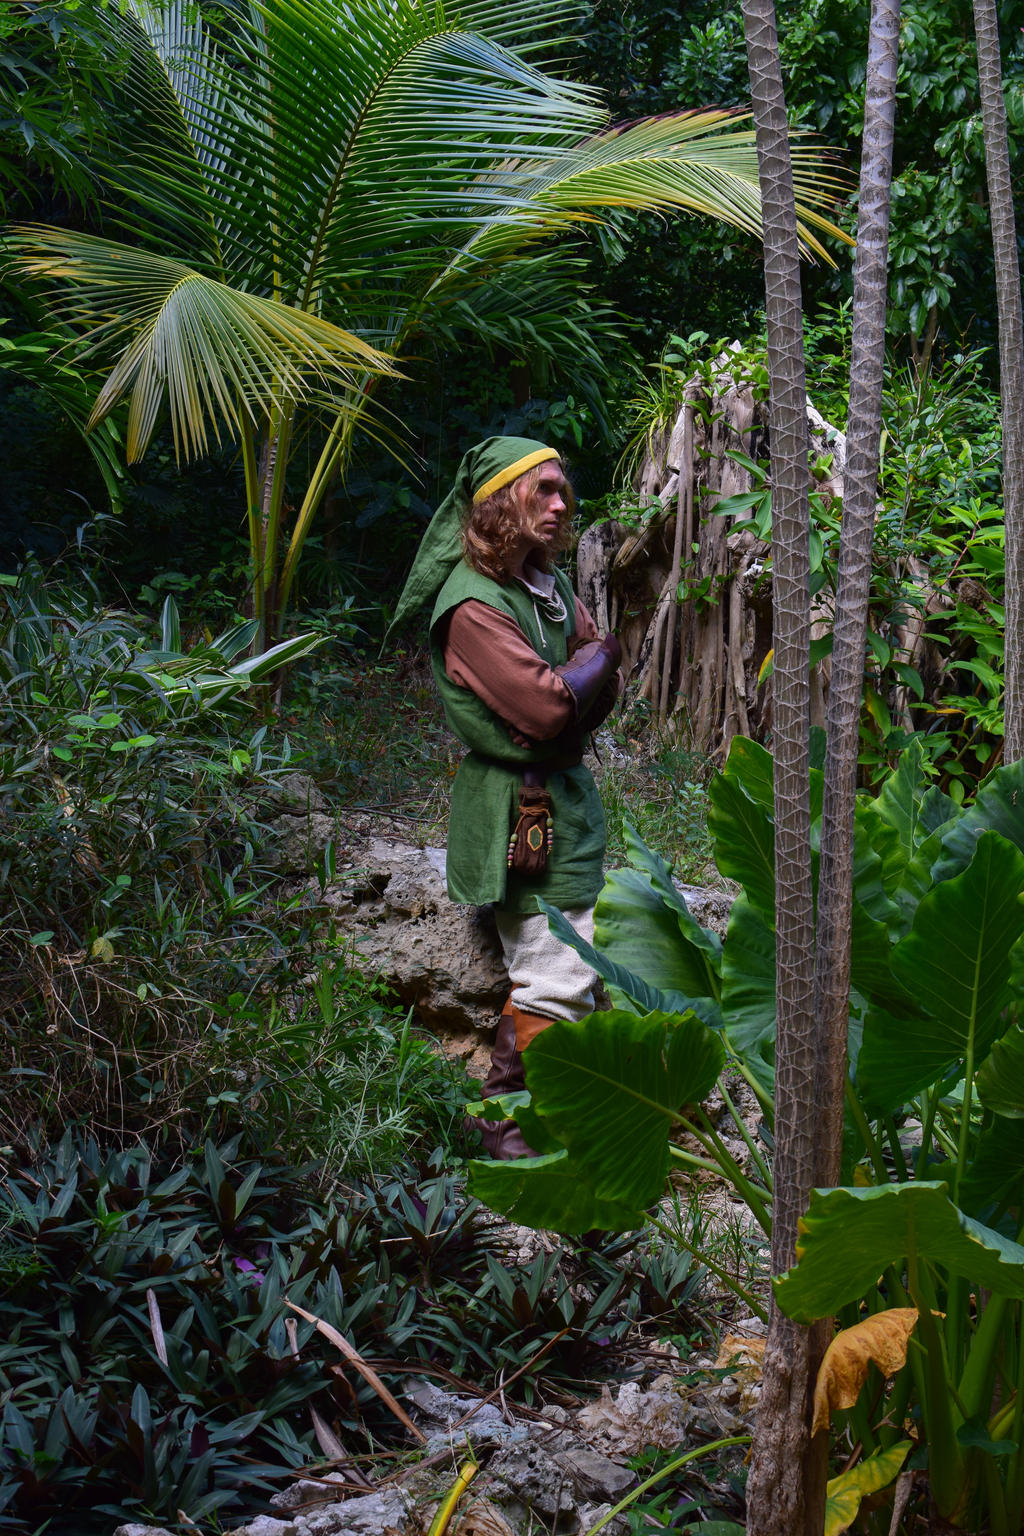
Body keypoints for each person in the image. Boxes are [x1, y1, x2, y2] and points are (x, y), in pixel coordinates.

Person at [391, 436, 622, 1159]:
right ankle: (511, 1127)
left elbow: (599, 677)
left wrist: (595, 666)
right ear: (497, 504)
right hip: (522, 813)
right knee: (552, 973)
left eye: (564, 492)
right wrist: (593, 665)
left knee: (572, 968)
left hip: (565, 800)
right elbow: (552, 709)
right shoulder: (472, 603)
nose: (562, 505)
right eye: (543, 491)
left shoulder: (543, 587)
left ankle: (511, 1121)